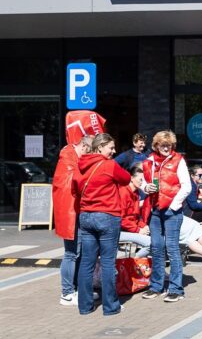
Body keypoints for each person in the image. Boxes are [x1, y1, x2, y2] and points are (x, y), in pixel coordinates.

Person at [76, 134, 131, 315]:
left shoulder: (81, 165)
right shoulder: (109, 165)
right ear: (100, 147)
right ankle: (110, 307)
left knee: (86, 263)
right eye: (111, 148)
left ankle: (84, 307)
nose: (114, 152)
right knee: (107, 263)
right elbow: (125, 178)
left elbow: (74, 188)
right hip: (107, 216)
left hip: (86, 217)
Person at [141, 130, 192, 303]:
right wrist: (146, 188)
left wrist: (173, 205)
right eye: (163, 145)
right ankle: (156, 286)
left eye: (169, 145)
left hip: (171, 210)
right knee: (156, 247)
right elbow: (142, 182)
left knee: (172, 248)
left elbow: (187, 186)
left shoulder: (178, 160)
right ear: (156, 146)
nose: (166, 148)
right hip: (154, 210)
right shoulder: (149, 161)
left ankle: (176, 289)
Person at [52, 135, 92, 306]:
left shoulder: (72, 157)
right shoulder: (68, 159)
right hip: (70, 213)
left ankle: (75, 290)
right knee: (71, 253)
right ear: (84, 147)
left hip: (76, 212)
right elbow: (72, 183)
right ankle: (67, 293)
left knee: (79, 252)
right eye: (89, 153)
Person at [118, 164, 151, 258]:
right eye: (141, 179)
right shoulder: (123, 192)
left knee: (157, 241)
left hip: (129, 229)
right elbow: (121, 219)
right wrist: (138, 230)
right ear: (132, 178)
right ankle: (132, 262)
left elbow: (135, 217)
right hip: (120, 230)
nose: (142, 182)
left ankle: (132, 262)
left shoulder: (135, 193)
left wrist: (144, 226)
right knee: (151, 243)